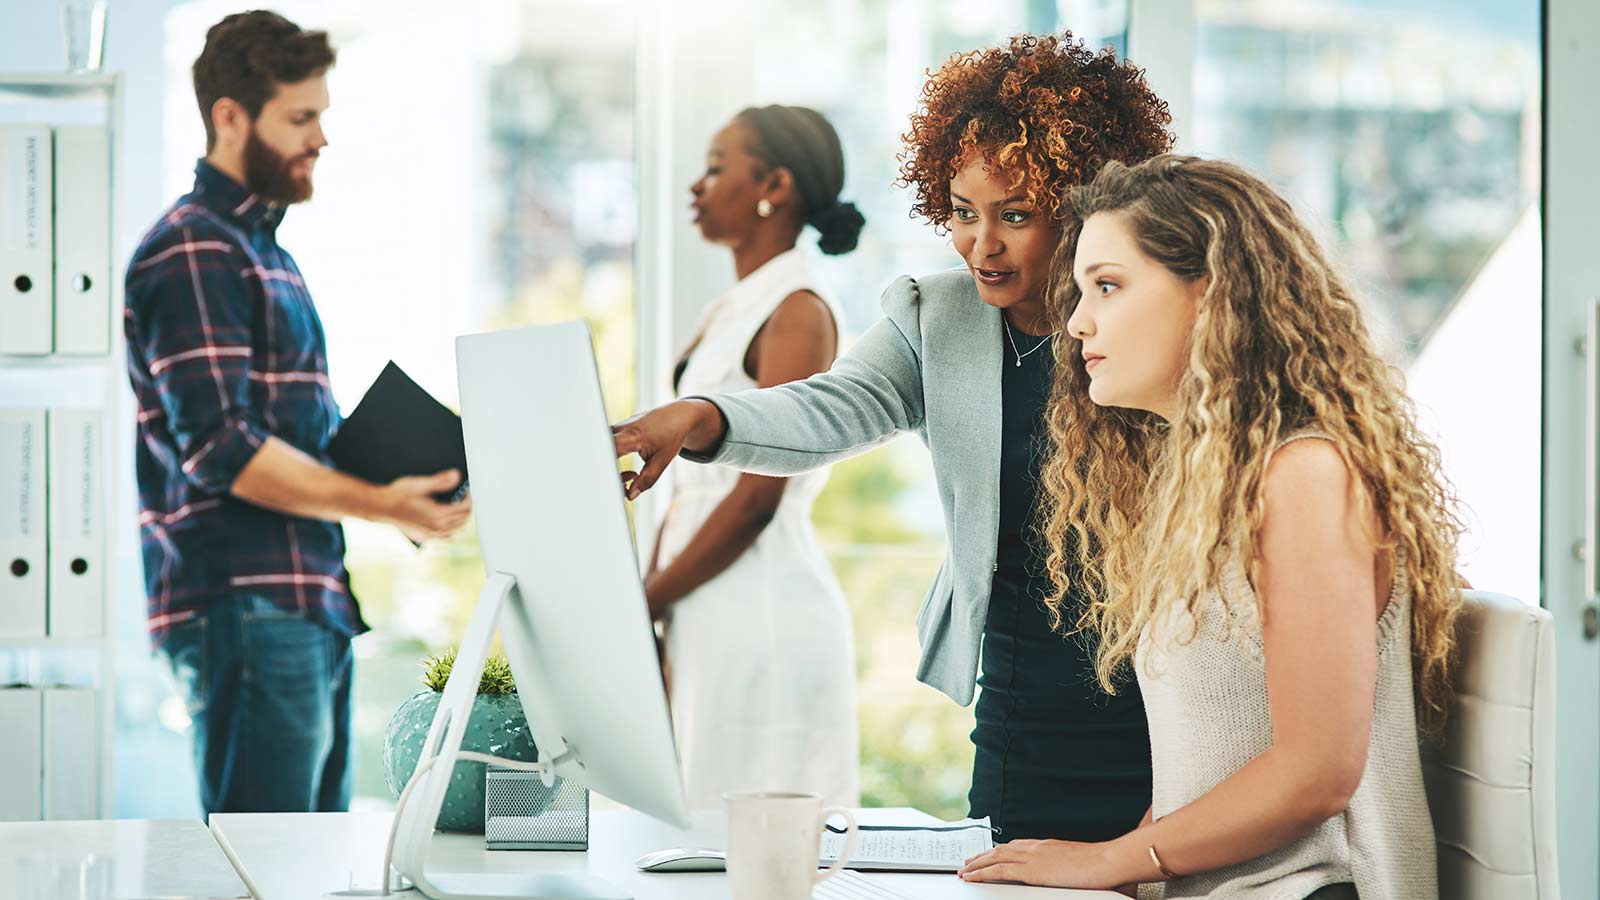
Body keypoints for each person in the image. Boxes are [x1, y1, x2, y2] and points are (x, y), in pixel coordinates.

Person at [614, 33, 1173, 840]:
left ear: (1086, 209)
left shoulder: (1146, 320)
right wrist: (705, 417)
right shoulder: (935, 317)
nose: (982, 245)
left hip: (1157, 702)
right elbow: (828, 408)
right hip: (1018, 700)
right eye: (963, 213)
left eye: (1016, 215)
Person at [957, 156, 1461, 900]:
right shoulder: (1202, 486)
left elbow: (1317, 771)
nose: (1078, 321)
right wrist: (1128, 872)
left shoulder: (1304, 473)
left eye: (1107, 286)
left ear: (1211, 293)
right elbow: (1207, 765)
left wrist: (1111, 861)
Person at [124, 11, 470, 817]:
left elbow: (291, 437)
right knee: (268, 864)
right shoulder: (196, 249)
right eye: (300, 117)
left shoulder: (264, 252)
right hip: (248, 602)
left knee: (308, 860)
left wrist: (411, 482)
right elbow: (224, 448)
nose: (321, 138)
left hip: (302, 598)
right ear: (230, 117)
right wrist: (382, 502)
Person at [649, 104, 866, 809]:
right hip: (707, 598)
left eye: (716, 168)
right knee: (693, 827)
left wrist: (647, 600)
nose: (697, 186)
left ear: (774, 184)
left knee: (745, 838)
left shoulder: (797, 309)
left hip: (760, 609)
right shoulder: (736, 305)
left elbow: (755, 497)